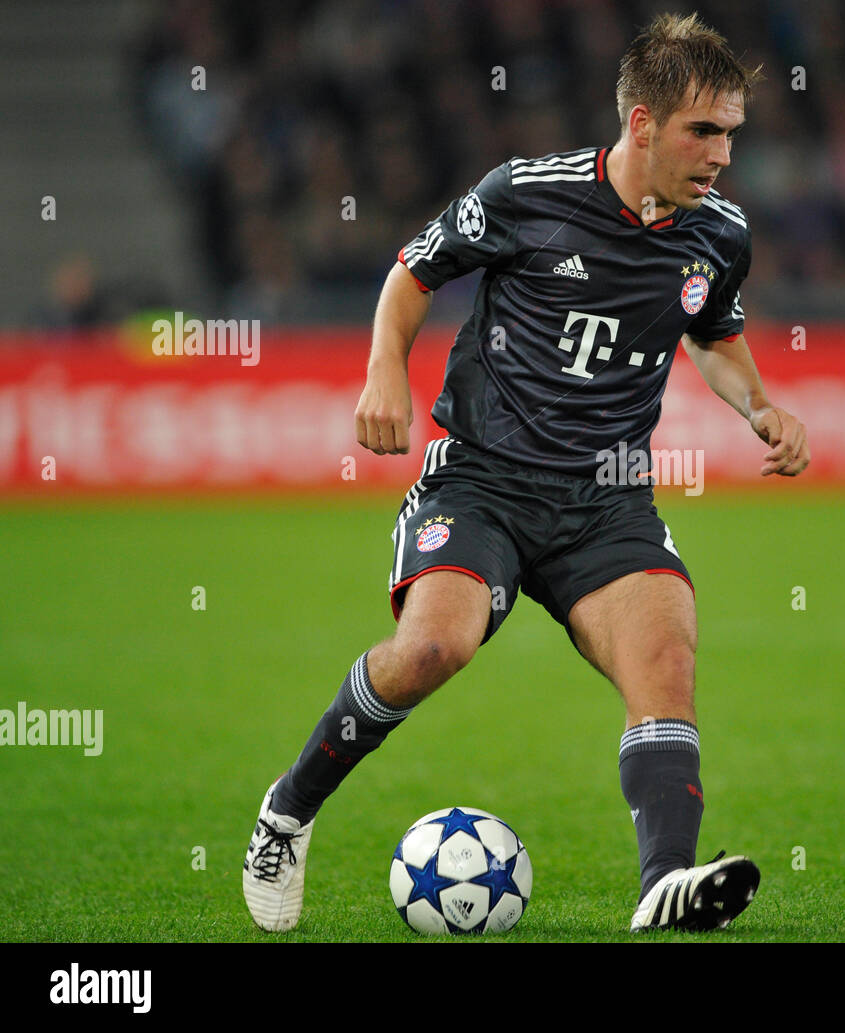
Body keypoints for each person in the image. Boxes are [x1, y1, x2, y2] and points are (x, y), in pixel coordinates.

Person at [243, 11, 809, 935]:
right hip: (483, 481)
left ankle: (663, 883)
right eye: (704, 132)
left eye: (732, 133)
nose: (722, 155)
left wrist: (758, 406)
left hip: (608, 499)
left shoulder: (720, 234)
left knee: (665, 663)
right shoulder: (526, 193)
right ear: (640, 125)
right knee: (434, 648)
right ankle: (289, 809)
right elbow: (413, 273)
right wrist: (386, 365)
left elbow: (716, 334)